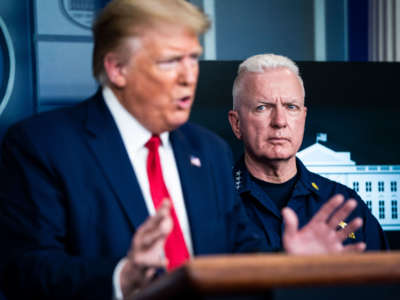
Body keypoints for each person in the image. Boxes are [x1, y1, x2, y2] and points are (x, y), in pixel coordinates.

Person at [0, 1, 365, 299]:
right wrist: (122, 277)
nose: (189, 76)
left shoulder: (209, 151)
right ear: (117, 69)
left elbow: (235, 260)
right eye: (170, 61)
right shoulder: (42, 146)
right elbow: (24, 274)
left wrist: (287, 262)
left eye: (192, 58)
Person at [228, 53, 389, 253]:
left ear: (303, 118)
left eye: (291, 107)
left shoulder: (345, 203)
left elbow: (385, 281)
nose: (280, 121)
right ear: (237, 124)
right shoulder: (213, 202)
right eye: (262, 107)